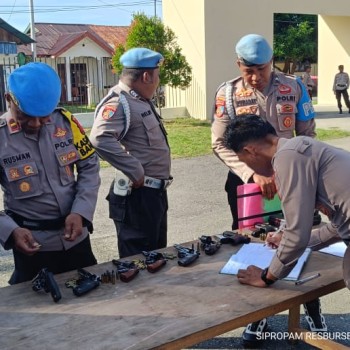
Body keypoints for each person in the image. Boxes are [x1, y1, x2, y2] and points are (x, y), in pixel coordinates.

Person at [211, 33, 320, 342]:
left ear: (272, 63)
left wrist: (290, 168)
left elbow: (307, 132)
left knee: (304, 239)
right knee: (257, 245)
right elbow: (219, 143)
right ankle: (259, 316)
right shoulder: (228, 94)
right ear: (238, 65)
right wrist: (251, 173)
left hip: (293, 177)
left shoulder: (294, 87)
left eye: (262, 69)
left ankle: (312, 310)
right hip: (249, 184)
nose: (256, 77)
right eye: (248, 70)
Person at [0, 62, 100, 284]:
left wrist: (81, 212)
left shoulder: (66, 122)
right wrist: (10, 231)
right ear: (9, 99)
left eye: (43, 116)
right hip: (33, 248)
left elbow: (89, 166)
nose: (36, 124)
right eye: (26, 116)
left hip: (78, 242)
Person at [223, 115, 350, 290]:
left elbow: (296, 236)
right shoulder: (301, 146)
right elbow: (339, 226)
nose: (250, 168)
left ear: (250, 151)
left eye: (244, 161)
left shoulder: (287, 158)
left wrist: (266, 277)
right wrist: (286, 239)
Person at [89, 47, 172, 259]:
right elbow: (99, 138)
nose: (158, 81)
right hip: (137, 198)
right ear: (146, 76)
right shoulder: (119, 101)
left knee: (155, 259)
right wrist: (134, 168)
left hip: (152, 195)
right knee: (138, 264)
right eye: (157, 76)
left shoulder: (138, 100)